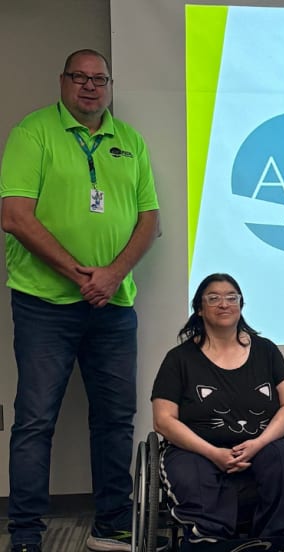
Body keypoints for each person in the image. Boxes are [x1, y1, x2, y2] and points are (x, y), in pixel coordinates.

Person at [0, 49, 160, 552]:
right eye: (80, 77)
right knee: (35, 420)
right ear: (63, 81)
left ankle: (111, 524)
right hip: (43, 304)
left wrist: (112, 276)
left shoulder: (129, 140)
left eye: (99, 79)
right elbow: (15, 216)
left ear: (109, 85)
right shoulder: (33, 133)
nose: (90, 87)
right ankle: (26, 534)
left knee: (115, 419)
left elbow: (149, 220)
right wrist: (79, 274)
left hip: (113, 307)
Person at [151, 273, 284, 546]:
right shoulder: (179, 359)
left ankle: (272, 542)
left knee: (283, 462)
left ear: (241, 305)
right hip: (196, 448)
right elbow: (163, 420)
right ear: (199, 308)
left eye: (231, 297)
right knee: (192, 476)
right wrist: (212, 452)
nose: (224, 304)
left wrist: (258, 443)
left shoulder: (266, 350)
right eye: (214, 298)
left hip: (261, 442)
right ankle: (211, 543)